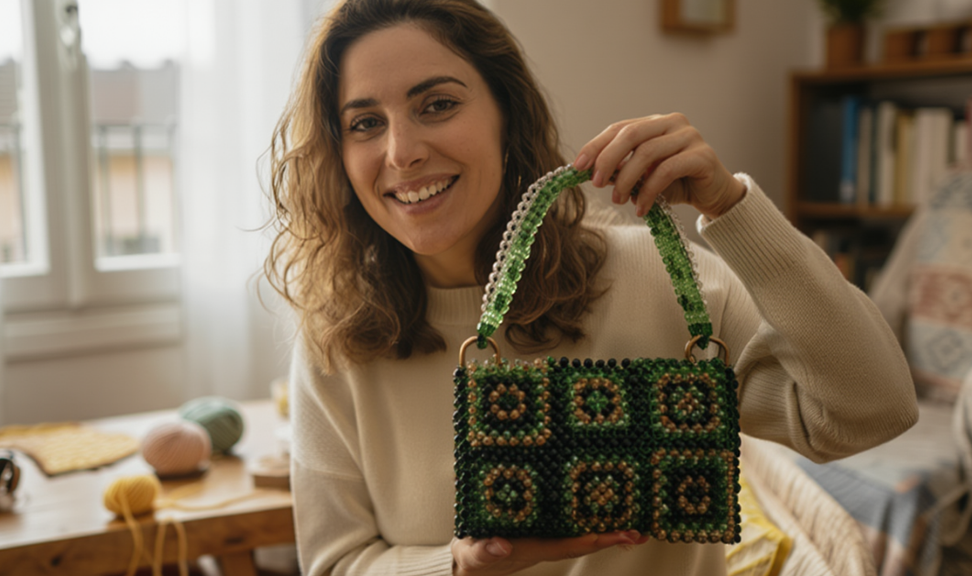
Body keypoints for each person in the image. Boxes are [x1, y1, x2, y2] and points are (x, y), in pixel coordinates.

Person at [264, 1, 918, 574]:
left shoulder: (660, 277)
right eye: (364, 123)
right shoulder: (338, 342)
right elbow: (338, 564)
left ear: (505, 114)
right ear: (339, 154)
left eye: (437, 104)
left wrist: (732, 208)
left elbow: (872, 409)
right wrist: (460, 567)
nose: (401, 150)